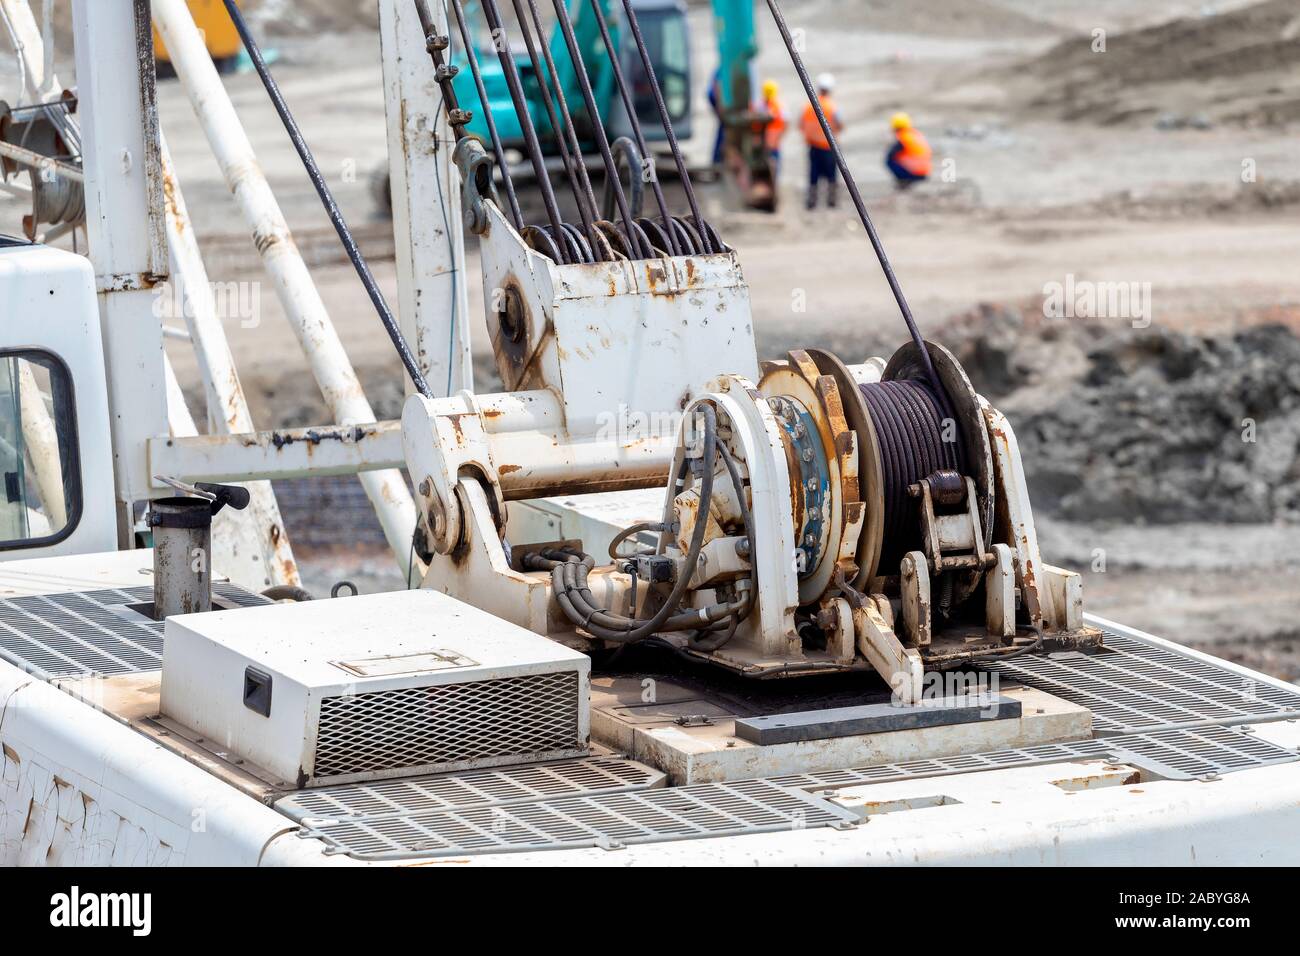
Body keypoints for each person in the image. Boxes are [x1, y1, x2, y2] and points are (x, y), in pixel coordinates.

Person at [801, 73, 843, 209]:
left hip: (813, 146)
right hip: (828, 147)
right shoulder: (832, 107)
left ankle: (811, 201)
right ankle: (831, 201)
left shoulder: (808, 106)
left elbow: (801, 124)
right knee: (831, 175)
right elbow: (840, 124)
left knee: (814, 174)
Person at [885, 111, 932, 189]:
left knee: (889, 160)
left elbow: (890, 154)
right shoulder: (916, 134)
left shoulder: (903, 137)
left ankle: (904, 180)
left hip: (914, 173)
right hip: (925, 172)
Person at [760, 79, 786, 174]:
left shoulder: (760, 106)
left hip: (765, 144)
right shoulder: (780, 107)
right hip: (772, 144)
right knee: (773, 168)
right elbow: (786, 123)